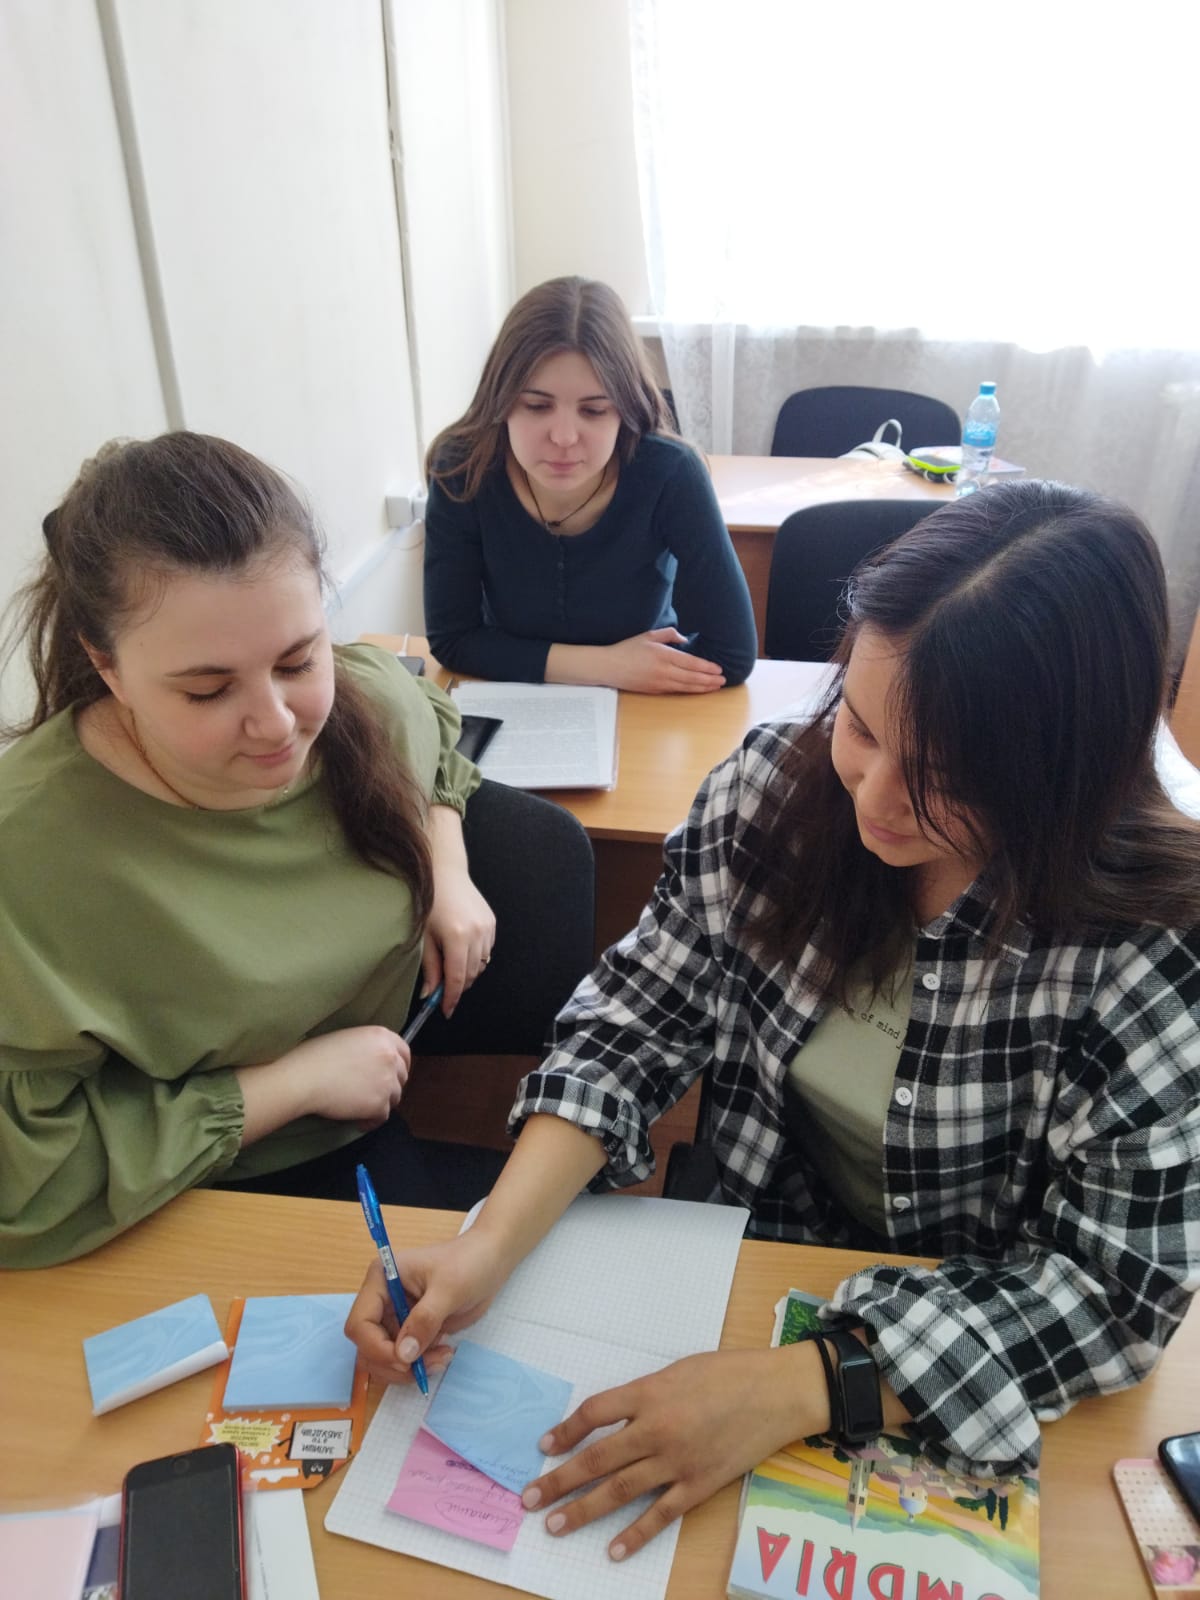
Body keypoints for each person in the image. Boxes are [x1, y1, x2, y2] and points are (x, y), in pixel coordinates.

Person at [348, 479, 1200, 1561]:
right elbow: (634, 1021)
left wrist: (806, 1383)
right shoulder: (772, 795)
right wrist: (489, 1242)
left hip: (961, 1330)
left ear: (1066, 769)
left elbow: (1112, 1290)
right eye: (861, 725)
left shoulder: (1152, 946)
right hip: (751, 1262)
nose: (874, 798)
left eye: (946, 777)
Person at [0, 432, 498, 1269]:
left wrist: (447, 866)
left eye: (298, 660)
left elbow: (432, 727)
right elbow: (25, 1177)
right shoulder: (29, 857)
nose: (275, 725)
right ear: (105, 667)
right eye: (208, 690)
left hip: (358, 1147)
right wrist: (289, 1084)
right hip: (148, 1204)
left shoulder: (366, 701)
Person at [423, 275, 757, 694]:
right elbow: (452, 639)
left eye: (595, 411)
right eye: (537, 406)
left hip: (641, 700)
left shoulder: (671, 473)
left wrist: (634, 670)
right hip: (516, 695)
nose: (564, 437)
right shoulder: (462, 468)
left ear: (625, 409)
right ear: (501, 401)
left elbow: (732, 656)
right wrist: (608, 666)